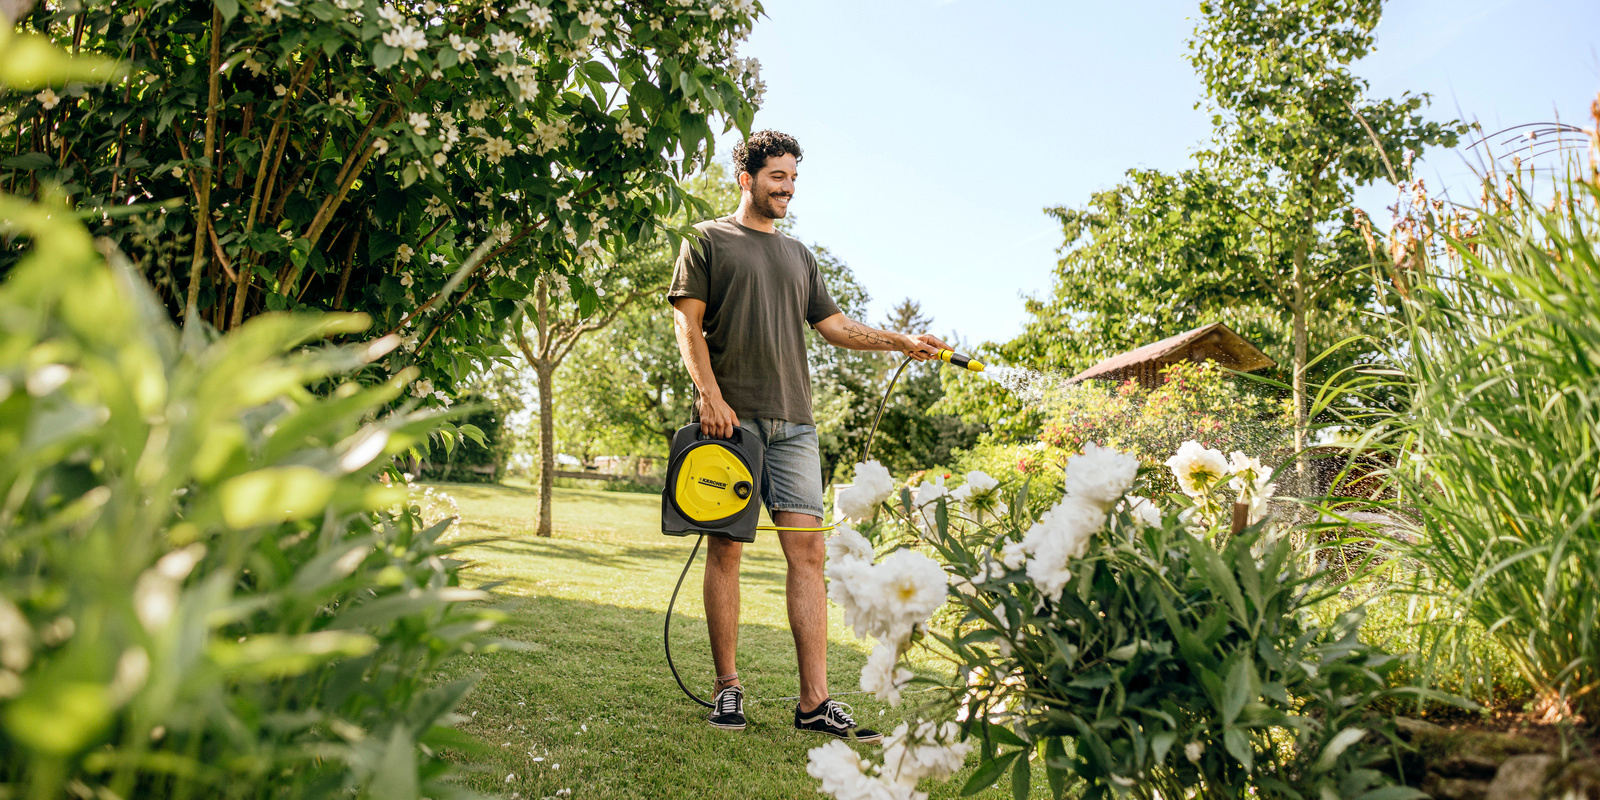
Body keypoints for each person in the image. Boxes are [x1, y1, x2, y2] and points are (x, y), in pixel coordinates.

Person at [667, 130, 951, 742]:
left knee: (809, 555)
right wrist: (710, 396)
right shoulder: (706, 239)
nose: (788, 188)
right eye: (778, 177)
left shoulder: (800, 256)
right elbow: (687, 324)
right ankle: (727, 687)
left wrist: (901, 341)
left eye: (794, 178)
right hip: (731, 423)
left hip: (795, 423)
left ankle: (814, 702)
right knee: (727, 549)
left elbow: (836, 326)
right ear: (746, 178)